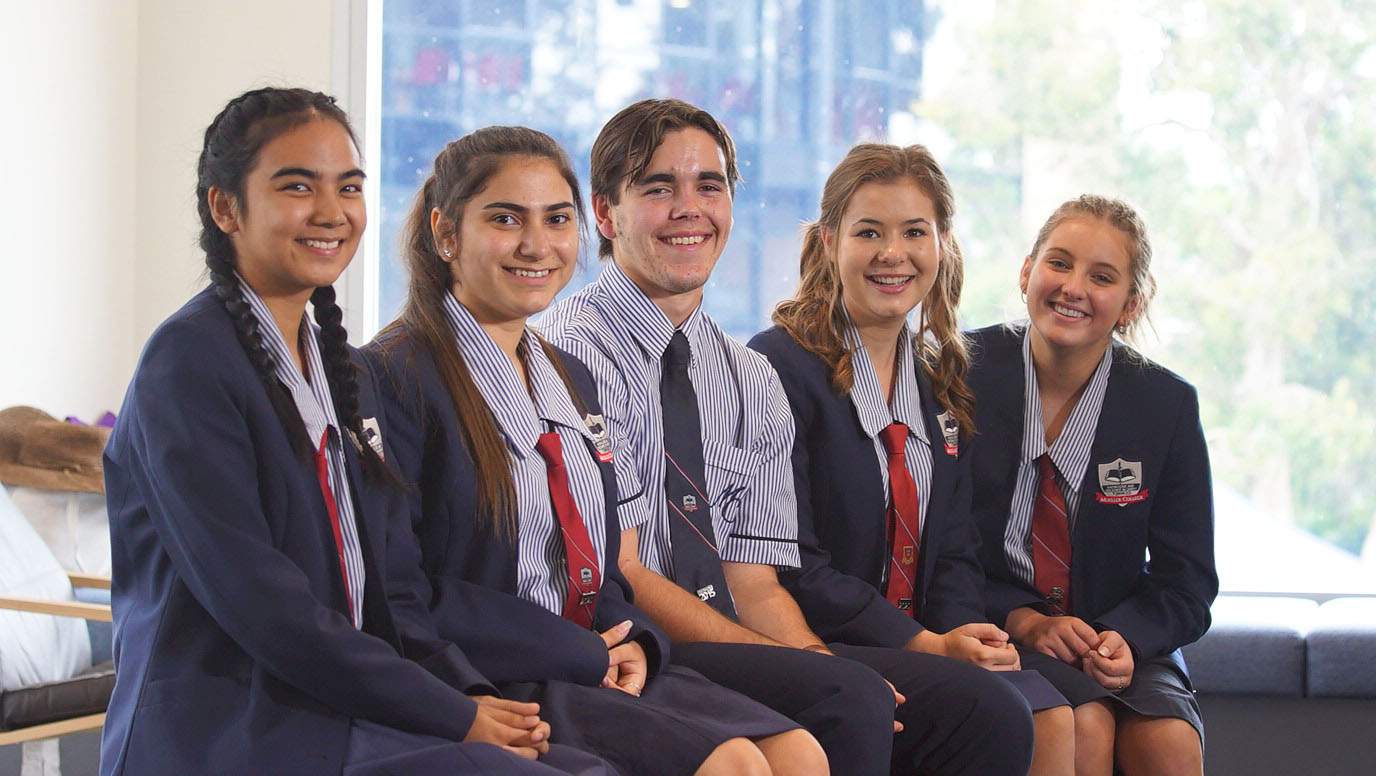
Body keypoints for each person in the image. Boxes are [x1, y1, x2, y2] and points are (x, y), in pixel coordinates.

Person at [100, 87, 608, 776]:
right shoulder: (188, 365)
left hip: (336, 709)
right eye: (297, 186)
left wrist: (464, 695)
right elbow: (265, 608)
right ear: (226, 207)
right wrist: (453, 715)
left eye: (349, 187)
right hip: (232, 729)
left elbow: (390, 586)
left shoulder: (341, 372)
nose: (331, 212)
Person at [541, 97, 1035, 775]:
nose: (690, 208)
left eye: (708, 187)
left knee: (987, 713)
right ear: (605, 213)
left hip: (726, 633)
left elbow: (756, 580)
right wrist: (794, 668)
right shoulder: (573, 352)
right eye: (660, 188)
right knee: (850, 701)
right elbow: (627, 571)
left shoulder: (747, 376)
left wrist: (812, 661)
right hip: (631, 637)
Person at [363, 125, 824, 776]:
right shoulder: (392, 379)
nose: (536, 244)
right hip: (496, 672)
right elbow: (400, 594)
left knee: (799, 754)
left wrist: (632, 636)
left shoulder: (566, 374)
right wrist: (578, 651)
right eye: (505, 219)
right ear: (445, 234)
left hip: (590, 658)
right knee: (736, 766)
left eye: (556, 219)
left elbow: (599, 559)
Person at [748, 142, 1078, 775]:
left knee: (1053, 712)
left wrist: (963, 634)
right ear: (827, 242)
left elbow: (954, 550)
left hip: (920, 637)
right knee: (1000, 713)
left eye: (914, 233)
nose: (892, 254)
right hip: (821, 639)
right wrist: (927, 645)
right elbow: (797, 567)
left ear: (942, 246)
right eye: (868, 232)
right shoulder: (778, 367)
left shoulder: (938, 377)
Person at [965, 195, 1216, 775]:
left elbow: (1189, 581)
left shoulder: (1166, 405)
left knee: (1169, 744)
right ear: (1026, 271)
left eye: (1101, 277)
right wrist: (1023, 619)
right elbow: (940, 547)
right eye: (1059, 263)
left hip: (1122, 635)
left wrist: (1121, 637)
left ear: (1132, 302)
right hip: (998, 622)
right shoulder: (960, 372)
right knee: (1087, 726)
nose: (1073, 287)